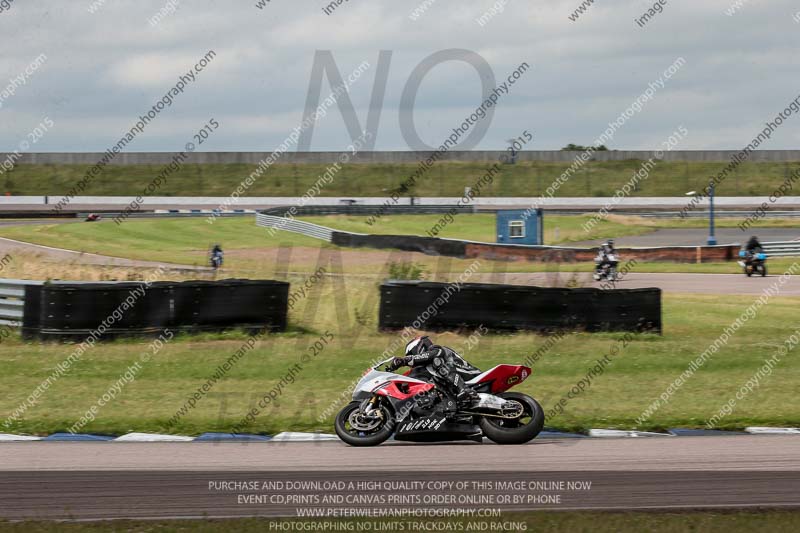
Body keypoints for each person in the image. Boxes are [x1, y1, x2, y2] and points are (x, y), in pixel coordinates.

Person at [387, 336, 481, 408]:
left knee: (437, 364)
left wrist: (404, 361)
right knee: (433, 382)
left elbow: (429, 356)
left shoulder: (437, 350)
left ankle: (464, 389)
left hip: (472, 375)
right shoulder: (429, 370)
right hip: (458, 387)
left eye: (411, 354)